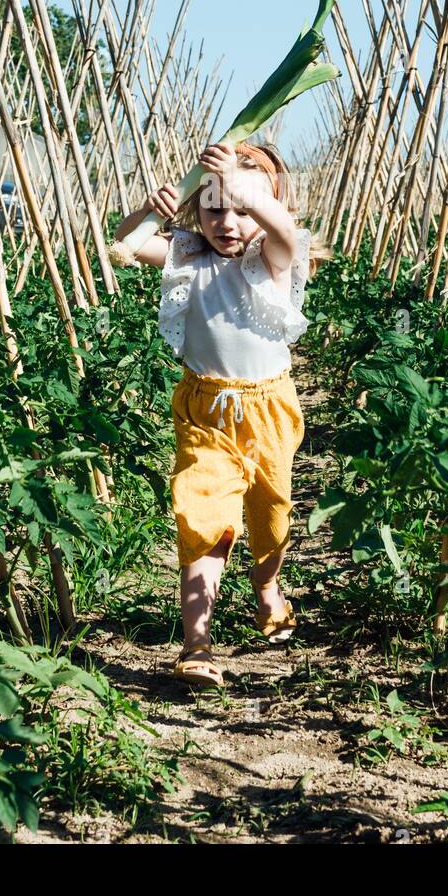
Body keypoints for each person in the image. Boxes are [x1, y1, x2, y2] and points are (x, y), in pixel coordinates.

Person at [114, 139, 314, 689]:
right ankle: (196, 644)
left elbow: (286, 234)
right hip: (204, 408)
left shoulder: (271, 261)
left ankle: (268, 589)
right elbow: (122, 244)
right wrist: (152, 211)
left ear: (265, 207)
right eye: (213, 207)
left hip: (268, 409)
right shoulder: (186, 255)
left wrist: (246, 188)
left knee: (269, 516)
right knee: (203, 519)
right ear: (194, 209)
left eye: (242, 208)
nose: (227, 221)